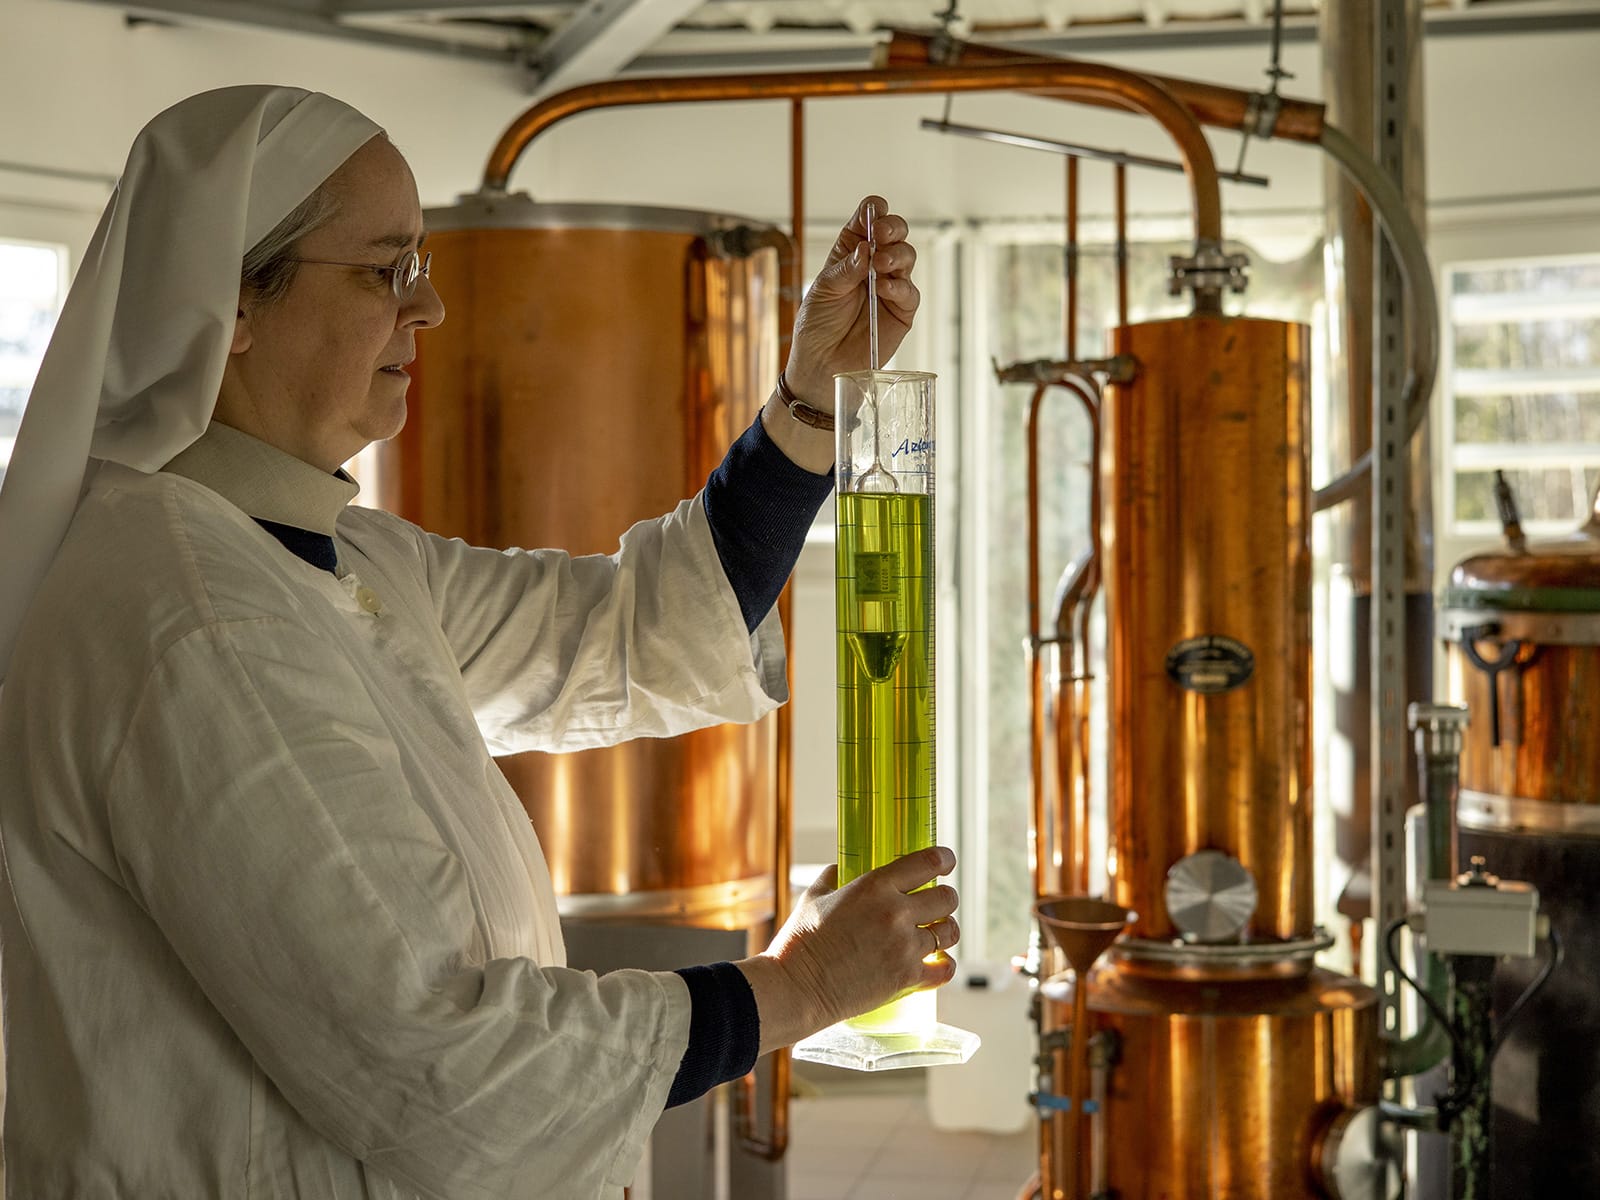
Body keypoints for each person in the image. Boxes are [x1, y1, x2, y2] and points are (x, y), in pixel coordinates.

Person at [0, 86, 960, 1198]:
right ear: (231, 305)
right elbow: (444, 1065)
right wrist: (797, 986)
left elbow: (627, 632)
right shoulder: (196, 621)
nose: (433, 309)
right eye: (386, 270)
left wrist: (805, 405)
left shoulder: (333, 554)